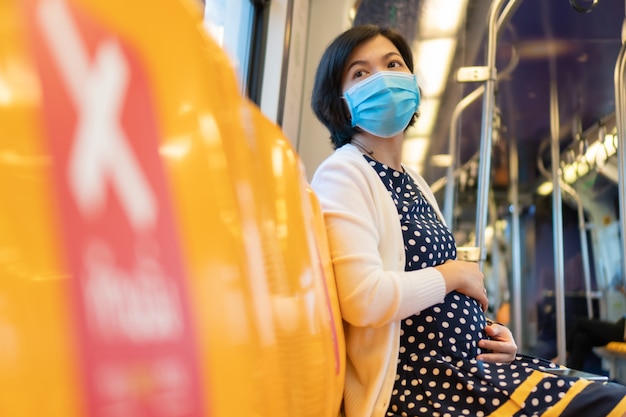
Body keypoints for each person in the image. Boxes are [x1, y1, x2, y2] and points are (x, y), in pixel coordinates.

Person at [310, 24, 626, 417]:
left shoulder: (415, 182)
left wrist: (489, 335)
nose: (383, 79)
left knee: (611, 394)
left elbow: (434, 296)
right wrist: (455, 274)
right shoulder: (344, 172)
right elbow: (365, 299)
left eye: (393, 64)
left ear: (412, 82)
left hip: (470, 367)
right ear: (338, 102)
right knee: (612, 405)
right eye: (361, 73)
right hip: (424, 385)